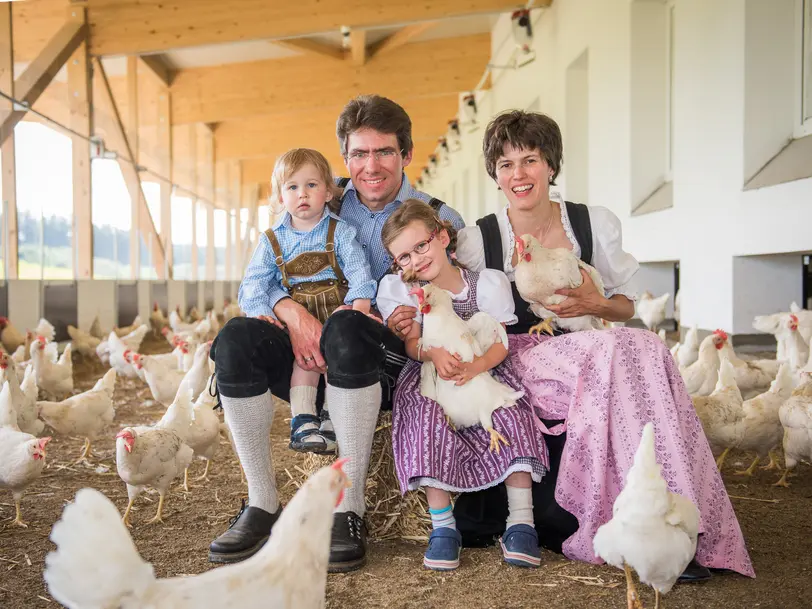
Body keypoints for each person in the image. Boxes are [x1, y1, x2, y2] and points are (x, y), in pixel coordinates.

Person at [386, 110, 754, 579]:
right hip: (524, 353)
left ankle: (673, 522)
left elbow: (625, 308)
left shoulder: (590, 223)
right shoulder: (481, 238)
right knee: (615, 353)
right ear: (495, 175)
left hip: (591, 339)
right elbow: (451, 289)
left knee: (645, 347)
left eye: (530, 160)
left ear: (551, 165)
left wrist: (596, 302)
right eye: (505, 165)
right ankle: (631, 526)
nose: (518, 174)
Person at [209, 95, 464, 570]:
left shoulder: (439, 219)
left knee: (347, 324)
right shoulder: (312, 201)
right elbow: (262, 277)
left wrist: (414, 320)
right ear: (344, 160)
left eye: (384, 152)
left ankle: (349, 509)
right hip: (311, 356)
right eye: (359, 154)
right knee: (234, 339)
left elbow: (464, 300)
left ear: (406, 155)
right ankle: (262, 502)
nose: (371, 166)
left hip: (391, 359)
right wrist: (291, 312)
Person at [376, 199, 548, 571]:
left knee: (512, 414)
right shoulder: (412, 295)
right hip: (432, 376)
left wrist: (478, 366)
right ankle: (443, 528)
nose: (416, 261)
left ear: (441, 236)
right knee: (424, 421)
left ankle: (521, 523)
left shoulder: (485, 285)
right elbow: (411, 343)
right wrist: (432, 353)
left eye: (421, 246)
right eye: (404, 257)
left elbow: (501, 340)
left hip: (484, 368)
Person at [239, 148, 377, 455]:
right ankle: (303, 421)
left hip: (337, 311)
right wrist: (260, 313)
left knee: (337, 361)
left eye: (312, 185)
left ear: (328, 192)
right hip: (299, 318)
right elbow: (254, 282)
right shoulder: (272, 240)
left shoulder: (340, 231)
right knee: (305, 362)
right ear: (278, 198)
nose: (303, 194)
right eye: (292, 187)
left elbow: (358, 269)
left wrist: (360, 306)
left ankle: (331, 416)